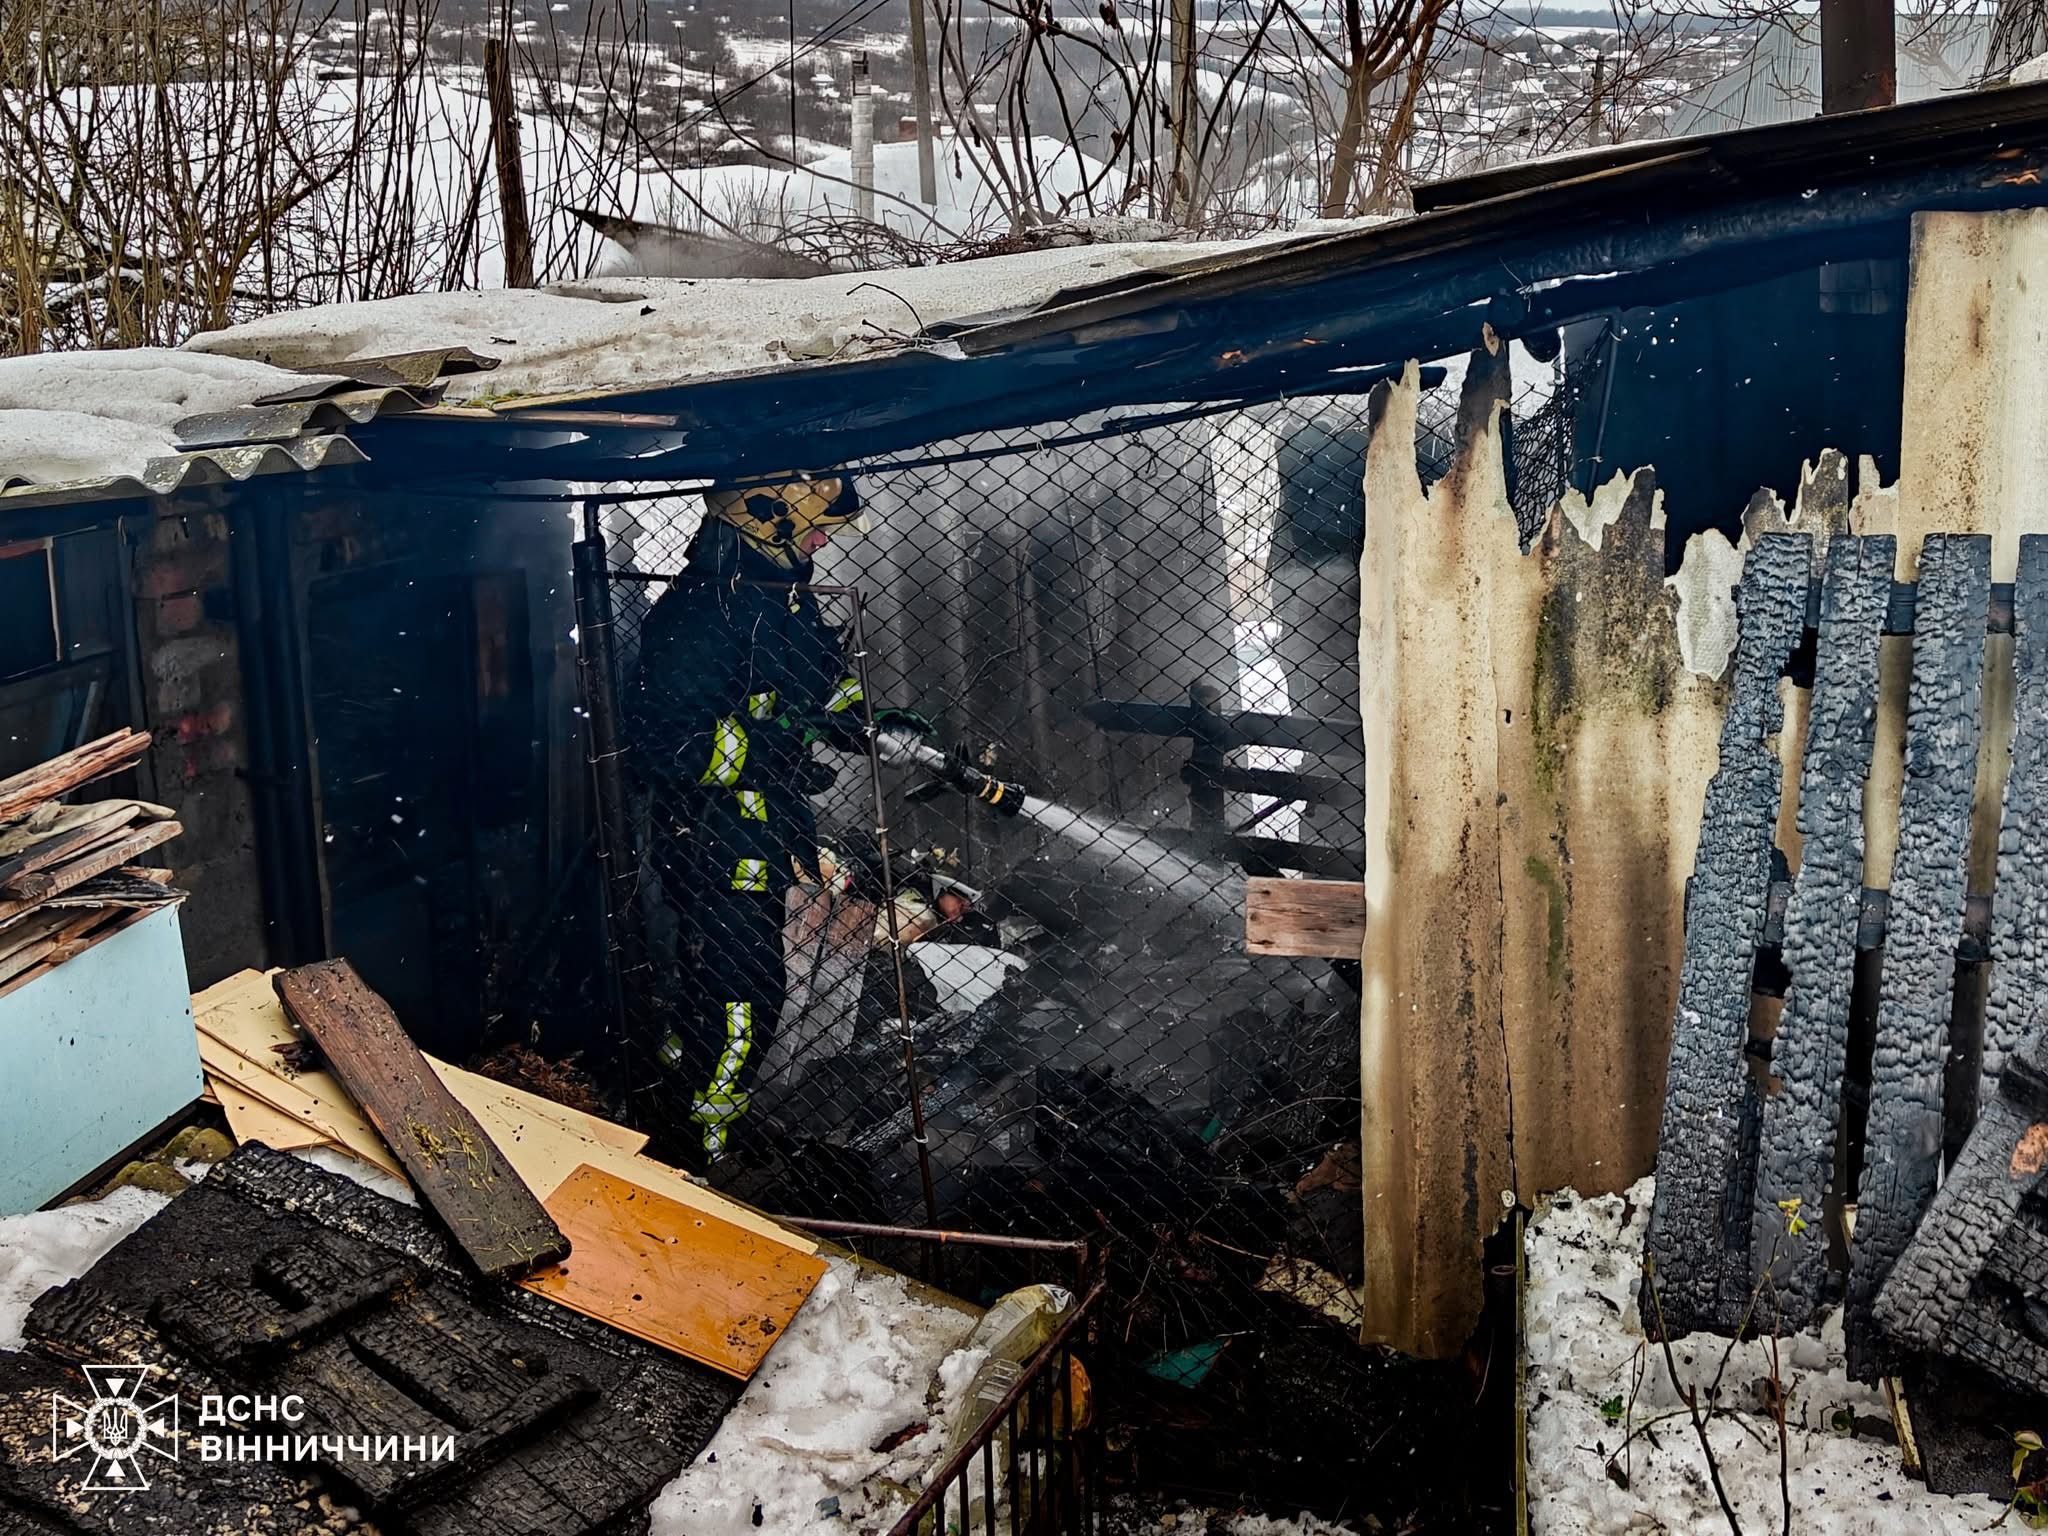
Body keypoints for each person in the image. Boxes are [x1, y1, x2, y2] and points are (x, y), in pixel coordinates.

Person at [623, 473, 932, 1163]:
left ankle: (678, 1100)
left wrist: (870, 725)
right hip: (710, 834)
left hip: (761, 829)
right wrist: (766, 756)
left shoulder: (775, 600)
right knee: (744, 999)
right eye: (817, 525)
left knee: (724, 989)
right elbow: (664, 742)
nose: (824, 539)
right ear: (770, 524)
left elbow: (817, 685)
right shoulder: (700, 614)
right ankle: (699, 1148)